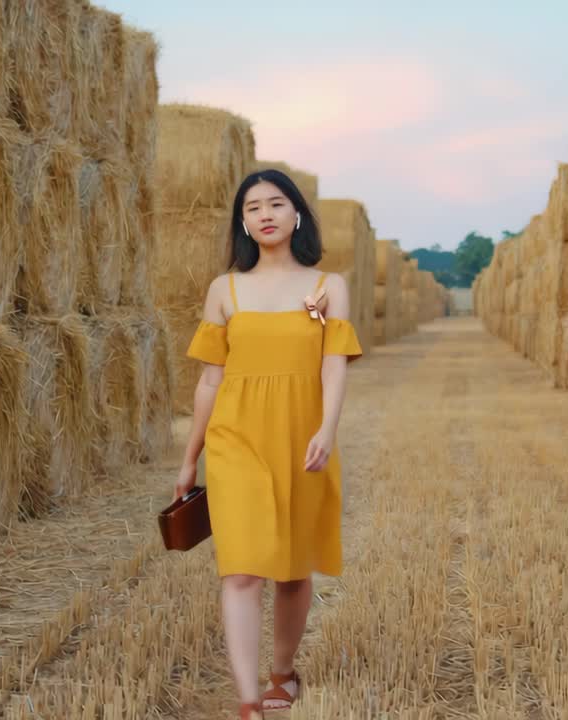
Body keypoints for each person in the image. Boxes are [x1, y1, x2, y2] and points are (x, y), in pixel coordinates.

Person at [175, 169, 362, 718]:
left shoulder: (326, 288)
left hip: (301, 434)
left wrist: (326, 429)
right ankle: (249, 701)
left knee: (292, 567)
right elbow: (210, 380)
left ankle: (282, 672)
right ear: (243, 223)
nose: (265, 214)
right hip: (236, 437)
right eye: (252, 207)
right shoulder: (224, 290)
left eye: (276, 203)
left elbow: (333, 365)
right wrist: (191, 459)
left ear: (296, 213)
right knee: (241, 568)